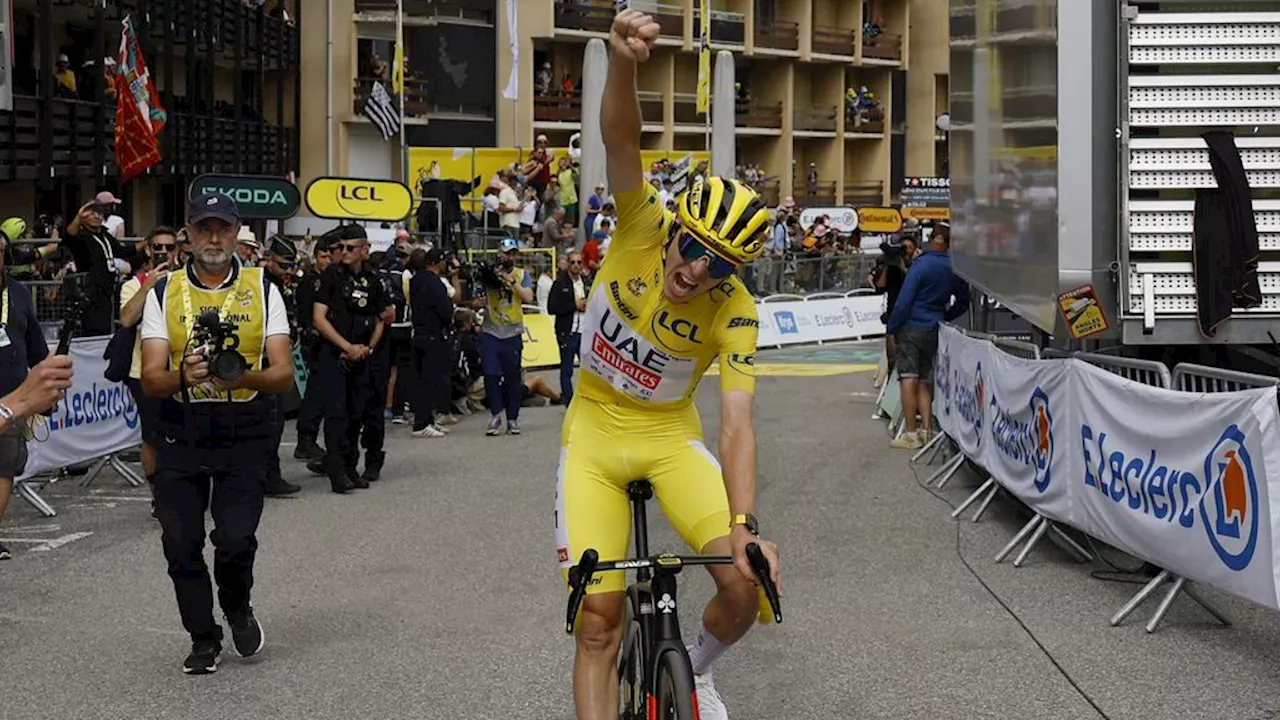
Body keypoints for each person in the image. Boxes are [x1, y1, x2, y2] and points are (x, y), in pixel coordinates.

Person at [556, 10, 781, 720]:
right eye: (692, 248)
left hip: (665, 435)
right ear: (676, 231)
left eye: (719, 265)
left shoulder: (735, 306)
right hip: (592, 433)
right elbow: (621, 139)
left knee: (745, 584)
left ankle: (700, 673)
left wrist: (744, 523)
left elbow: (737, 424)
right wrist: (624, 63)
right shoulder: (640, 223)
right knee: (599, 615)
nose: (696, 269)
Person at [139, 193, 295, 674]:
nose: (212, 238)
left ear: (236, 232)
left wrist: (241, 377)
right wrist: (187, 375)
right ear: (187, 231)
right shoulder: (162, 293)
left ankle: (237, 605)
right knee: (180, 541)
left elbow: (284, 372)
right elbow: (150, 378)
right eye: (203, 228)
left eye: (222, 229)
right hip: (181, 428)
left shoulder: (264, 286)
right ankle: (202, 636)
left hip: (244, 426)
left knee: (235, 538)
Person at [310, 225, 392, 492]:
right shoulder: (332, 276)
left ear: (364, 250)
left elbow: (382, 317)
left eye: (349, 248)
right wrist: (347, 346)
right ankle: (337, 472)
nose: (343, 252)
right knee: (337, 415)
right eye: (340, 247)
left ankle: (351, 466)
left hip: (363, 355)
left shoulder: (374, 279)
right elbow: (319, 318)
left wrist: (367, 347)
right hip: (335, 354)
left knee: (358, 414)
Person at [0, 227, 65, 561]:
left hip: (13, 396)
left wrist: (48, 384)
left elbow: (38, 348)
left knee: (4, 466)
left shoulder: (19, 295)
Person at [885, 221, 969, 449]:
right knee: (925, 379)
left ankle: (910, 433)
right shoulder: (954, 268)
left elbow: (904, 302)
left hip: (912, 325)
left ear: (931, 239)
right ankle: (927, 431)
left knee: (908, 377)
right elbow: (963, 301)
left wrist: (893, 327)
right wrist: (945, 316)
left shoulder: (919, 266)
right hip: (935, 326)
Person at [118, 227, 179, 517]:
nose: (163, 253)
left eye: (169, 248)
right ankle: (159, 498)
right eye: (158, 248)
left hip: (183, 369)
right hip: (143, 371)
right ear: (148, 250)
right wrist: (148, 287)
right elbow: (127, 318)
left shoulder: (186, 281)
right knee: (152, 437)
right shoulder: (134, 283)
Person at [473, 237, 533, 436]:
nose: (510, 256)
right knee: (491, 374)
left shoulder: (521, 274)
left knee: (512, 377)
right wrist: (480, 300)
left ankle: (513, 418)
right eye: (506, 252)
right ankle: (495, 415)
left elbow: (528, 297)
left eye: (513, 253)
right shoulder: (488, 274)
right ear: (499, 253)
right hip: (491, 330)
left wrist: (510, 280)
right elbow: (475, 299)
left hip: (512, 332)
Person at [260, 236, 304, 496]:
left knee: (276, 420)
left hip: (282, 357)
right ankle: (266, 476)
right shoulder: (260, 285)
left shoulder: (286, 284)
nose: (289, 270)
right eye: (284, 265)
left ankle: (270, 475)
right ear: (270, 260)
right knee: (267, 420)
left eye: (292, 266)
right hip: (263, 360)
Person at [408, 248, 455, 438]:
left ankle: (428, 419)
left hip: (419, 333)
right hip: (433, 335)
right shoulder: (434, 282)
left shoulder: (416, 279)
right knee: (429, 381)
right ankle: (422, 422)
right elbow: (445, 310)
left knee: (422, 379)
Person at [292, 239, 332, 461]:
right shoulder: (310, 282)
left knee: (321, 395)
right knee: (314, 394)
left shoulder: (328, 279)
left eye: (329, 256)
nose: (326, 261)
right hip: (312, 342)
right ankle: (305, 440)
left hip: (325, 342)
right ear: (316, 257)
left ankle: (309, 438)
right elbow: (307, 314)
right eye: (323, 256)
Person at [547, 249, 589, 406]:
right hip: (567, 331)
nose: (576, 266)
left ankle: (586, 400)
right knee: (567, 369)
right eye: (573, 262)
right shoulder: (560, 283)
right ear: (567, 264)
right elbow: (552, 307)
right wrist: (574, 306)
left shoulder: (586, 281)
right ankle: (569, 402)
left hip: (585, 330)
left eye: (579, 262)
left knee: (589, 369)